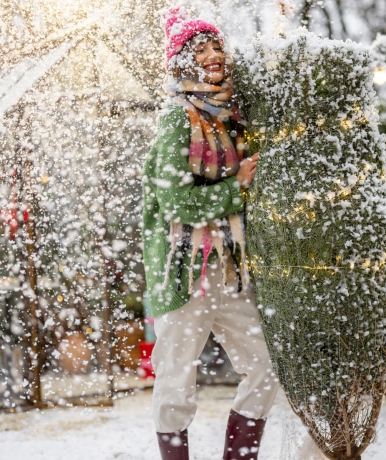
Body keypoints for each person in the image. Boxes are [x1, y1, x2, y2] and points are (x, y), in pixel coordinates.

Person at [142, 7, 279, 460]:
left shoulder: (232, 118)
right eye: (199, 49)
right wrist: (234, 186)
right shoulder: (176, 122)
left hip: (229, 269)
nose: (213, 54)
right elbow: (175, 204)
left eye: (216, 45)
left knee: (265, 366)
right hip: (184, 272)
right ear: (183, 63)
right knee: (177, 380)